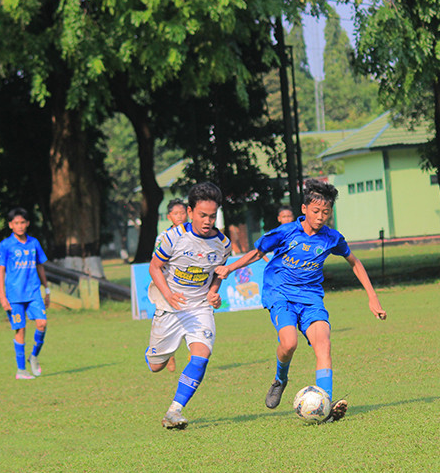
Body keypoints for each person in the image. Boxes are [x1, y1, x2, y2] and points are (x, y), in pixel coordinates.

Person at [216, 180, 386, 423]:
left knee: (323, 345)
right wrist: (230, 269)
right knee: (289, 344)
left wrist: (373, 298)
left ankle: (324, 407)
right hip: (280, 294)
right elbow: (258, 252)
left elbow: (354, 262)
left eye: (326, 213)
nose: (320, 217)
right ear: (304, 209)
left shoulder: (332, 238)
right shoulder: (286, 232)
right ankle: (280, 380)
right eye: (316, 211)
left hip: (310, 298)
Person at [145, 182, 232, 430]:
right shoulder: (173, 237)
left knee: (202, 356)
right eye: (202, 215)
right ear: (191, 211)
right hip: (170, 307)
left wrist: (214, 292)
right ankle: (159, 352)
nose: (207, 221)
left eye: (212, 216)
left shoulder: (223, 244)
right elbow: (154, 267)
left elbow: (218, 273)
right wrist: (169, 294)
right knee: (156, 366)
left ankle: (174, 411)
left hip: (199, 308)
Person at [0, 208, 50, 380]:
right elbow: (1, 271)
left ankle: (33, 356)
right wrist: (2, 296)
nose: (20, 226)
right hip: (14, 295)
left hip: (33, 292)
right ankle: (21, 370)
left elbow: (40, 266)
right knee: (20, 330)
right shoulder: (6, 245)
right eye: (16, 223)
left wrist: (46, 289)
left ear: (27, 224)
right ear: (11, 225)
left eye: (22, 222)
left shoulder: (34, 243)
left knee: (42, 323)